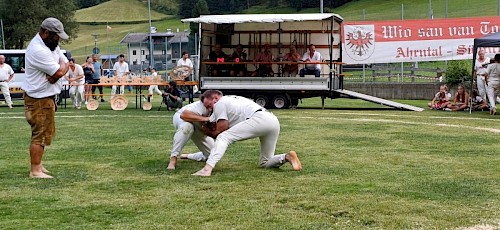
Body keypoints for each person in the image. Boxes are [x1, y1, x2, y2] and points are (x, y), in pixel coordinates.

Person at [191, 90, 302, 177]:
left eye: (209, 105)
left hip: (259, 119)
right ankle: (286, 157)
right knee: (265, 162)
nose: (209, 109)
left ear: (215, 98)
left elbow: (221, 129)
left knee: (223, 137)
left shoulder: (220, 103)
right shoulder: (233, 99)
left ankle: (207, 169)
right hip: (272, 120)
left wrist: (205, 130)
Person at [22, 17, 69, 178]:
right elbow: (60, 70)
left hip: (45, 98)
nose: (58, 40)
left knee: (45, 133)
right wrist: (58, 73)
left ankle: (39, 166)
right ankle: (35, 170)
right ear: (46, 32)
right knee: (40, 134)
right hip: (39, 99)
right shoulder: (38, 50)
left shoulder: (49, 45)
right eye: (57, 36)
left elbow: (65, 62)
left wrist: (57, 74)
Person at [167, 95, 217, 170]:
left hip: (199, 124)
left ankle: (188, 156)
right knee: (187, 127)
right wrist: (206, 119)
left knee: (213, 155)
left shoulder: (222, 110)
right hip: (181, 118)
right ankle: (173, 158)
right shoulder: (199, 106)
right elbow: (183, 115)